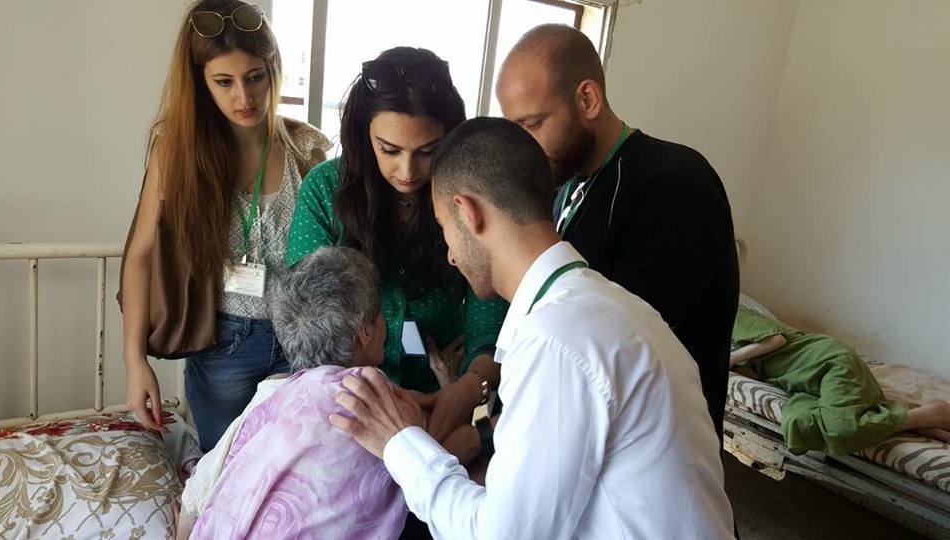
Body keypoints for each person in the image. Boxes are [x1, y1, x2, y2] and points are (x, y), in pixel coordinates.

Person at [330, 118, 735, 539]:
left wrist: (398, 441)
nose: (450, 255)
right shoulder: (613, 307)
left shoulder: (557, 339)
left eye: (444, 226)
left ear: (468, 213)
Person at [495, 24, 739, 437]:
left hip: (655, 448)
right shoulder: (564, 184)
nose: (524, 149)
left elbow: (615, 346)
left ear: (587, 99)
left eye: (533, 124)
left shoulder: (675, 184)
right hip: (583, 437)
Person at [120, 0, 330, 451]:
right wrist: (134, 361)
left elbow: (332, 256)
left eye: (255, 77)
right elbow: (141, 254)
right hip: (223, 346)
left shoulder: (306, 148)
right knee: (223, 469)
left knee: (292, 471)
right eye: (224, 82)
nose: (244, 98)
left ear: (273, 70)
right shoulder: (176, 150)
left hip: (302, 339)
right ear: (200, 81)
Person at [286, 47, 507, 443]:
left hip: (442, 400)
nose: (407, 171)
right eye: (389, 150)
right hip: (348, 407)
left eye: (427, 152)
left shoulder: (468, 197)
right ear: (362, 135)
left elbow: (488, 326)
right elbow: (309, 323)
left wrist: (470, 386)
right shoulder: (324, 190)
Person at [177, 247, 407, 539]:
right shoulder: (373, 391)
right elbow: (425, 455)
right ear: (366, 331)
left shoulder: (271, 394)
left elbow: (195, 494)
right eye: (381, 315)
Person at [730, 305, 950, 455]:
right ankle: (914, 420)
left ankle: (932, 412)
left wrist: (727, 361)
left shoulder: (733, 313)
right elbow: (761, 372)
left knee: (840, 429)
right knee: (799, 422)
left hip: (827, 362)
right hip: (804, 384)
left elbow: (775, 340)